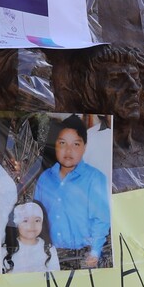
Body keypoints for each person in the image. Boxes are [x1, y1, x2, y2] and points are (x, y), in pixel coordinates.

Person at [34, 114, 111, 269]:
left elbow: (101, 220)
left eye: (76, 144)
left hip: (84, 257)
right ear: (54, 145)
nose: (68, 150)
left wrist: (95, 253)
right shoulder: (44, 179)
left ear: (84, 147)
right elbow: (37, 216)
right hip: (51, 257)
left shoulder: (95, 178)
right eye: (62, 143)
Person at [2, 200, 60, 273]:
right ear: (16, 224)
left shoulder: (49, 249)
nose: (32, 225)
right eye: (25, 221)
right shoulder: (6, 250)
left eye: (37, 220)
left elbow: (56, 275)